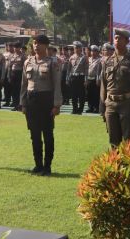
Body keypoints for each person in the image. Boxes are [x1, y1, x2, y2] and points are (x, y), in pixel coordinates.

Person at [20, 34, 62, 175]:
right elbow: (24, 85)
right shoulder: (28, 62)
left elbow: (57, 85)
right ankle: (38, 164)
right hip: (32, 101)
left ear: (46, 46)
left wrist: (56, 105)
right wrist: (23, 103)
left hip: (46, 101)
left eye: (39, 43)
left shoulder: (52, 62)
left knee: (48, 134)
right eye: (34, 43)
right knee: (34, 135)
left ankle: (47, 166)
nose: (36, 45)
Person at [99, 29, 130, 147]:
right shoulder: (107, 61)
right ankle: (116, 165)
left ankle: (128, 165)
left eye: (120, 38)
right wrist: (102, 107)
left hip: (127, 105)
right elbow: (103, 85)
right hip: (110, 105)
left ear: (127, 41)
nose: (117, 40)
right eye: (115, 38)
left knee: (128, 141)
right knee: (113, 141)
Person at [68, 41, 88, 114]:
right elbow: (69, 69)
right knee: (73, 94)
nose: (76, 49)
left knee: (81, 95)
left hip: (81, 77)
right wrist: (67, 78)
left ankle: (80, 110)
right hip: (73, 77)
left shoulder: (84, 57)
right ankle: (74, 109)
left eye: (77, 47)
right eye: (75, 48)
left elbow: (86, 69)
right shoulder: (71, 57)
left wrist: (86, 79)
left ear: (80, 48)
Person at [86, 45, 102, 113]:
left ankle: (96, 107)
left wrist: (98, 79)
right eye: (92, 51)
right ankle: (90, 107)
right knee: (89, 94)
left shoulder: (99, 60)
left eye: (95, 51)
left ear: (98, 52)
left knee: (96, 94)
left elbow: (99, 71)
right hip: (89, 78)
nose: (93, 52)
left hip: (95, 79)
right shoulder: (88, 59)